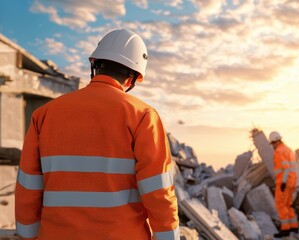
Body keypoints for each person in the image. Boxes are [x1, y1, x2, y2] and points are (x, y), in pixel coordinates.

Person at [15, 29, 179, 240]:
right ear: (132, 78)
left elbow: (28, 187)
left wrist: (28, 235)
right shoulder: (143, 117)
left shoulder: (44, 115)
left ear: (95, 65)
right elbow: (159, 193)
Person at [269, 131, 299, 238]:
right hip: (292, 181)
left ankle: (285, 229)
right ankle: (294, 226)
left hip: (283, 182)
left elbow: (285, 168)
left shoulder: (279, 151)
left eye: (272, 144)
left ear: (275, 142)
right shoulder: (288, 150)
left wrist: (283, 182)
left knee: (280, 205)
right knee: (288, 205)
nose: (272, 146)